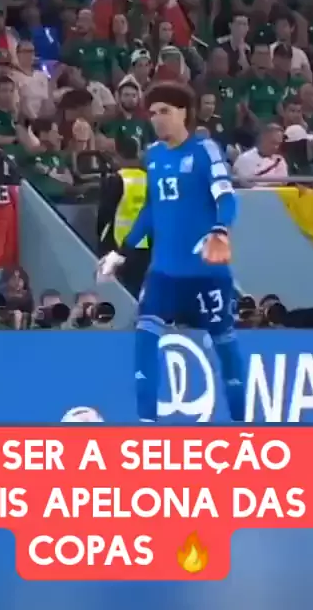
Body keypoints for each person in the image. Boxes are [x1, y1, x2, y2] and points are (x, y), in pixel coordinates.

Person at [97, 81, 245, 423]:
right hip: (163, 272)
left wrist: (220, 230)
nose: (157, 119)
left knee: (225, 345)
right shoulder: (154, 156)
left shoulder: (205, 150)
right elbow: (151, 209)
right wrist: (122, 251)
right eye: (152, 113)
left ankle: (241, 422)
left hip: (206, 273)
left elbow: (226, 197)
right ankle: (147, 424)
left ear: (184, 113)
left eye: (164, 111)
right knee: (145, 337)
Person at [97, 135, 151, 298]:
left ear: (118, 155)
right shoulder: (149, 178)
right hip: (146, 244)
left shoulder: (116, 179)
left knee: (117, 292)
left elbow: (105, 213)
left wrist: (99, 237)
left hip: (118, 243)